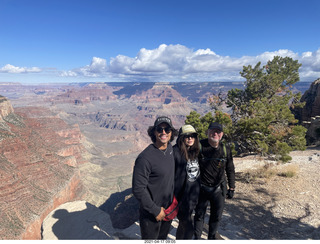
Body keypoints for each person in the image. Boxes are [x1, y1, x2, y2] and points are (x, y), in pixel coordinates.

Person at [132, 116, 178, 239]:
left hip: (168, 210)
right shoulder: (145, 158)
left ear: (171, 132)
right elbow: (138, 189)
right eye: (160, 129)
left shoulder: (170, 149)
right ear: (154, 132)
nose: (164, 132)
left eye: (167, 129)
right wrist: (155, 210)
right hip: (151, 214)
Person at [194, 122, 235, 240]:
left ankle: (211, 238)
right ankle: (197, 238)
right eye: (212, 131)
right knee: (199, 216)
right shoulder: (199, 146)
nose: (215, 133)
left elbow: (230, 168)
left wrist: (232, 187)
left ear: (222, 134)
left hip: (218, 189)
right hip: (202, 188)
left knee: (216, 216)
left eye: (218, 131)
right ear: (207, 132)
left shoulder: (225, 149)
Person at [173, 124, 201, 239]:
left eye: (193, 136)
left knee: (183, 225)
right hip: (180, 199)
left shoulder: (195, 151)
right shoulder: (174, 152)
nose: (190, 138)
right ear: (181, 138)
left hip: (192, 198)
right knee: (189, 229)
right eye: (187, 136)